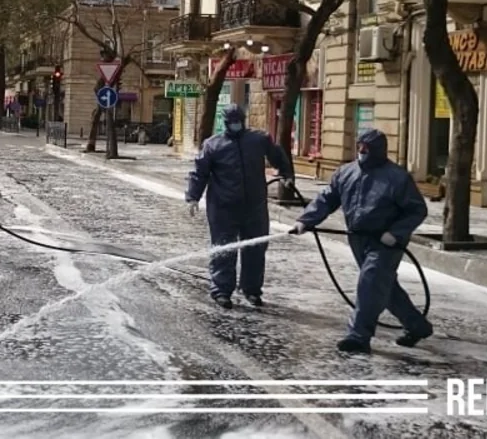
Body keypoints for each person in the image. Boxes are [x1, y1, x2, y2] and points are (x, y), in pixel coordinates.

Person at [290, 128, 434, 354]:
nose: (362, 151)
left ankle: (358, 336)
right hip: (358, 239)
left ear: (379, 150)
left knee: (370, 283)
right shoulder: (346, 172)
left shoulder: (397, 178)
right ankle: (417, 325)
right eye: (360, 147)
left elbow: (417, 210)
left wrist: (395, 233)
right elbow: (327, 199)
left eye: (367, 148)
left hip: (385, 242)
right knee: (384, 287)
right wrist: (305, 221)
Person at [185, 104, 294, 309]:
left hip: (254, 206)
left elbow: (277, 156)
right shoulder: (213, 145)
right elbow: (199, 172)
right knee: (223, 248)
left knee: (255, 248)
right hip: (223, 207)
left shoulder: (258, 140)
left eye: (238, 121)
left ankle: (251, 289)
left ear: (243, 121)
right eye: (232, 122)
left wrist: (286, 174)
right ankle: (221, 290)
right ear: (225, 123)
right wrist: (193, 196)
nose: (236, 125)